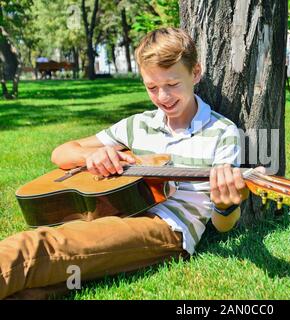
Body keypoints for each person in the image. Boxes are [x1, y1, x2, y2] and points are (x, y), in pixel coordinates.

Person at [0, 27, 251, 299]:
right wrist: (93, 156)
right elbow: (61, 153)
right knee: (34, 290)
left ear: (195, 73)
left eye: (172, 85)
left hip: (166, 227)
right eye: (152, 87)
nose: (163, 97)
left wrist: (226, 204)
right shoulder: (137, 125)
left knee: (36, 248)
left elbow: (223, 225)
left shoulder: (223, 132)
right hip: (115, 213)